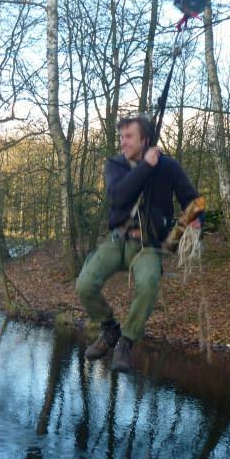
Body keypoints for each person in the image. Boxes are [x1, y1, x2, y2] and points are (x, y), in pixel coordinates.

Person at [75, 113, 202, 373]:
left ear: (144, 139)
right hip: (118, 240)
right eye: (121, 137)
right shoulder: (115, 165)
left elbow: (194, 201)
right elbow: (118, 196)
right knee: (84, 285)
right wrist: (145, 166)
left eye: (129, 136)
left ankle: (126, 341)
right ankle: (109, 329)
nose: (123, 142)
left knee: (148, 284)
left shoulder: (168, 167)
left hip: (148, 246)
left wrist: (192, 223)